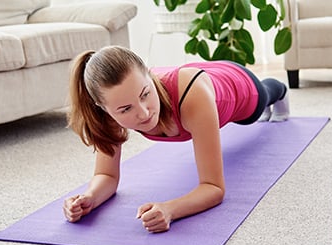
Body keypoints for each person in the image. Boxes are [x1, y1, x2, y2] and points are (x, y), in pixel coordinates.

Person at [63, 46, 289, 233]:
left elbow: (213, 187)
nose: (143, 113)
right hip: (197, 78)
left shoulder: (192, 97)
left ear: (150, 76)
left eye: (145, 94)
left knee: (262, 101)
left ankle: (280, 90)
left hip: (235, 85)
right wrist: (89, 198)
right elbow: (107, 175)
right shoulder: (111, 112)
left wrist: (170, 209)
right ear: (103, 108)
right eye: (125, 109)